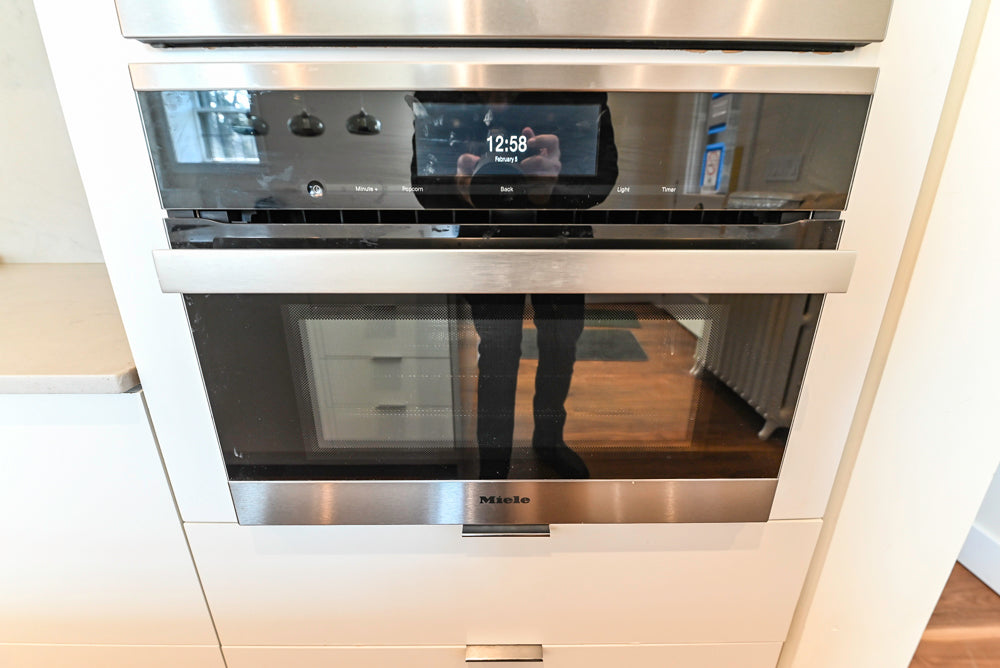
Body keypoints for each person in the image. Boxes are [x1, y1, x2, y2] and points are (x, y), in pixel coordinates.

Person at [410, 92, 618, 479]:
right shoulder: (447, 93)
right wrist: (461, 187)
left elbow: (602, 180)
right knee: (498, 351)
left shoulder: (577, 91)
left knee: (560, 345)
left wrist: (553, 186)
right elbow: (426, 187)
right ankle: (495, 464)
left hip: (561, 239)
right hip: (492, 241)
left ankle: (547, 442)